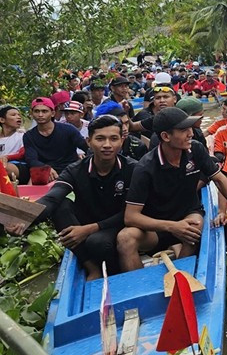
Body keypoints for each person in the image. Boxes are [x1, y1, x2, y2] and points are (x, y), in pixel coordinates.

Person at [117, 107, 227, 272]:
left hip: (187, 215)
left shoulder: (196, 150)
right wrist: (172, 226)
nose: (191, 133)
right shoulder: (145, 168)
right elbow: (131, 217)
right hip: (156, 227)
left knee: (195, 226)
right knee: (125, 239)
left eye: (190, 128)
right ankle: (140, 282)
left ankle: (183, 274)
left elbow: (220, 179)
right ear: (166, 136)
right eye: (183, 130)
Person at [8, 116, 135, 279]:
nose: (107, 145)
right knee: (60, 206)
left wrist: (91, 228)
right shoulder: (75, 170)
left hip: (118, 224)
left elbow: (132, 213)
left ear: (122, 141)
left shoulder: (133, 169)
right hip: (86, 220)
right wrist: (23, 217)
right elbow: (51, 199)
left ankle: (114, 274)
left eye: (113, 139)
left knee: (98, 243)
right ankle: (92, 267)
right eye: (100, 139)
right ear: (88, 142)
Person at [24, 97, 89, 183]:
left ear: (53, 113)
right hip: (45, 171)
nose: (40, 115)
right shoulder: (29, 136)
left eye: (44, 111)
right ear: (32, 114)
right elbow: (31, 159)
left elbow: (86, 148)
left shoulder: (68, 130)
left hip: (70, 170)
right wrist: (46, 168)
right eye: (36, 111)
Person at [0, 105, 27, 184]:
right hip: (2, 164)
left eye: (19, 115)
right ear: (2, 120)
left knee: (2, 168)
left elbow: (23, 153)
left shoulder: (23, 135)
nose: (18, 117)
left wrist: (7, 157)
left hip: (18, 166)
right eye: (13, 115)